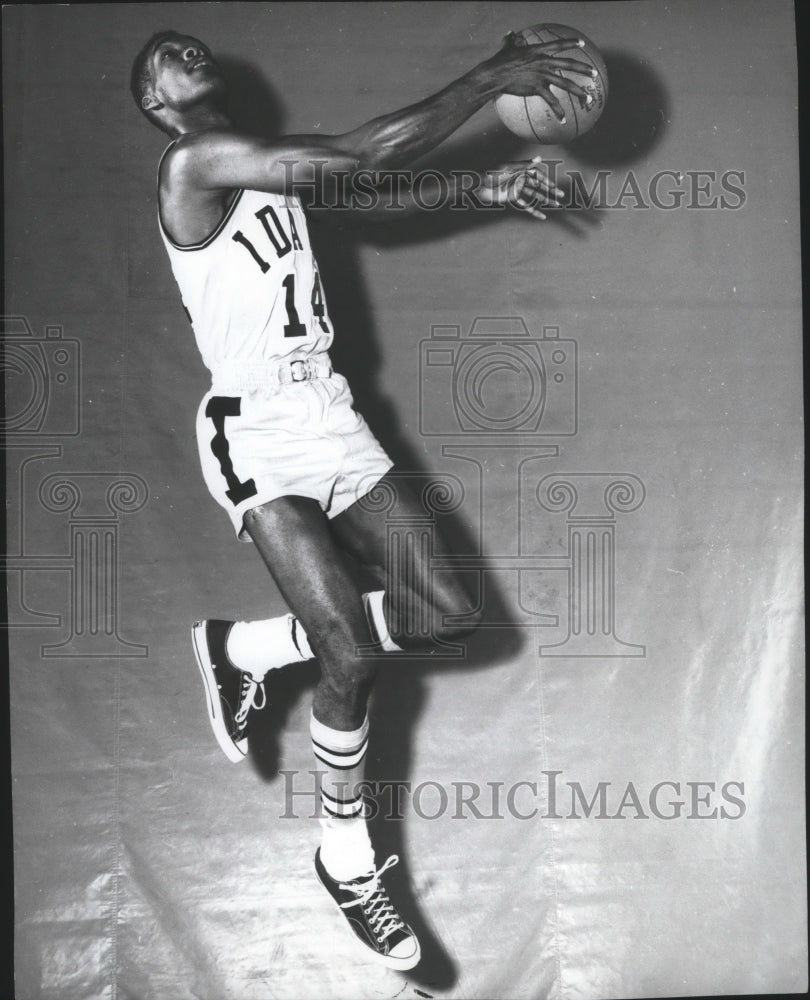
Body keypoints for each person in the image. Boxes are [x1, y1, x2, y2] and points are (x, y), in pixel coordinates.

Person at [130, 28, 594, 970]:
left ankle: (246, 647)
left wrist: (484, 186)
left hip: (329, 412)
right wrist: (491, 77)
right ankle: (348, 860)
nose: (186, 47)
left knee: (450, 613)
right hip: (256, 430)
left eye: (188, 41)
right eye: (164, 58)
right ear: (156, 106)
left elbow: (367, 192)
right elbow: (360, 152)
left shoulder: (265, 166)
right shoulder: (193, 162)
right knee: (349, 647)